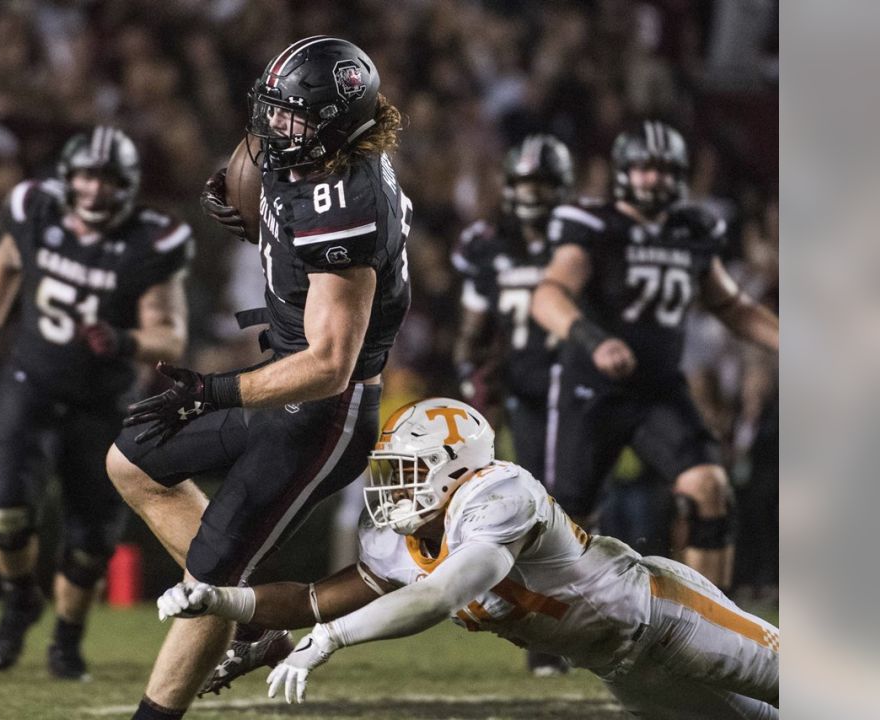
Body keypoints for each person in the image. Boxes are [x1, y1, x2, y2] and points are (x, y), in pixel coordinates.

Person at [105, 36, 412, 720]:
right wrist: (259, 214)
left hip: (324, 409)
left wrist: (213, 390)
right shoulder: (316, 159)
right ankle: (255, 623)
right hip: (285, 377)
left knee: (212, 576)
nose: (276, 127)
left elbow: (330, 364)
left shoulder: (344, 198)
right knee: (132, 459)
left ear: (337, 122)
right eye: (272, 110)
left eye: (294, 116)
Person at [157, 398, 780, 719]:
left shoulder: (498, 495)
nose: (392, 491)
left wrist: (329, 641)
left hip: (667, 617)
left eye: (405, 473)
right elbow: (309, 600)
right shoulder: (397, 543)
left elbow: (439, 596)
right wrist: (218, 597)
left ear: (453, 465)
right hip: (621, 666)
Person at [0, 126, 192, 679]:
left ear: (129, 186)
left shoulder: (148, 242)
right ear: (68, 177)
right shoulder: (36, 210)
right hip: (30, 383)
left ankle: (66, 641)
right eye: (86, 175)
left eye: (108, 179)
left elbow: (171, 334)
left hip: (102, 399)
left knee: (90, 541)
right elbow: (5, 259)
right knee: (5, 512)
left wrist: (126, 341)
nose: (94, 189)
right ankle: (20, 598)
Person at [529, 120, 779, 591]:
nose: (654, 179)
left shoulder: (691, 230)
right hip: (592, 390)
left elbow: (730, 305)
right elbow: (548, 295)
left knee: (709, 489)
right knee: (571, 522)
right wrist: (593, 340)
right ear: (624, 170)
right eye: (644, 169)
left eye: (664, 170)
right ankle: (558, 631)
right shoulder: (596, 225)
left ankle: (713, 632)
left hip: (658, 388)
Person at [451, 134, 573, 676]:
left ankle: (573, 623)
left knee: (569, 507)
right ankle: (536, 628)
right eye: (525, 183)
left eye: (543, 184)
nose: (533, 194)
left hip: (575, 389)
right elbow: (472, 330)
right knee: (522, 507)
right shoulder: (488, 243)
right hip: (518, 388)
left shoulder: (577, 240)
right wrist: (473, 380)